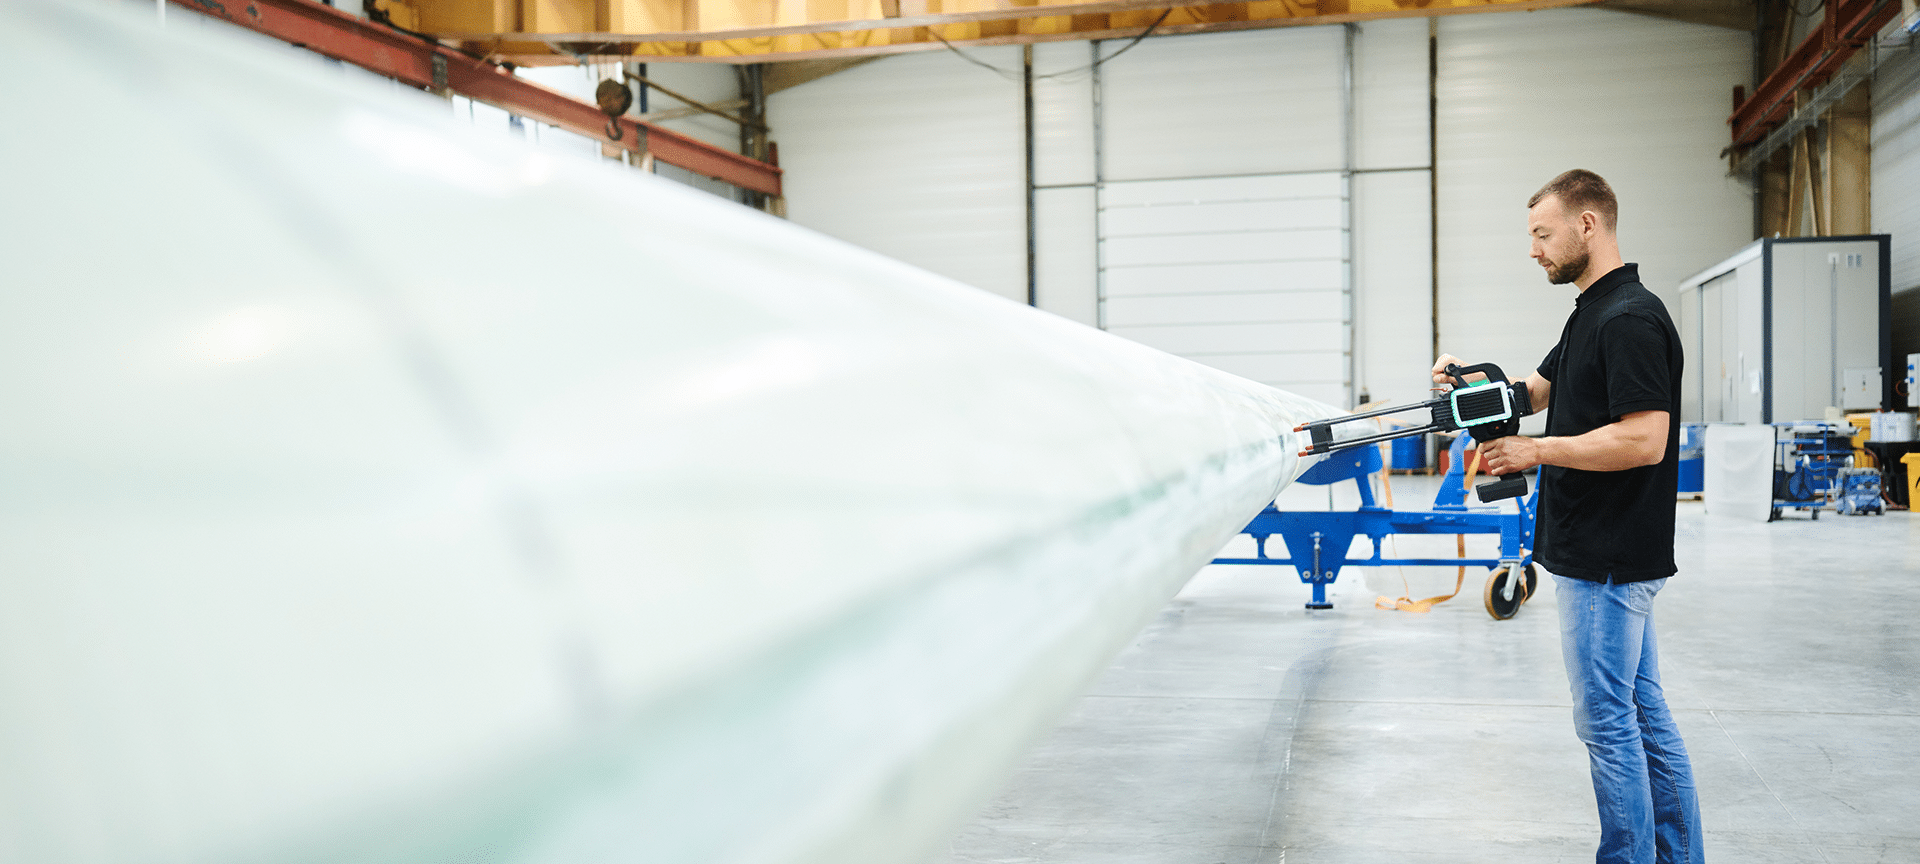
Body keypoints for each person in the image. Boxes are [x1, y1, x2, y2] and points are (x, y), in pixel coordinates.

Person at [1432, 169, 1702, 864]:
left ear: (1588, 224)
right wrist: (1470, 384)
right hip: (1603, 553)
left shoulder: (1630, 319)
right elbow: (1532, 391)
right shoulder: (1592, 311)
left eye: (1542, 234)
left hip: (1609, 559)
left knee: (1609, 724)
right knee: (1642, 715)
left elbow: (1645, 438)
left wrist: (1537, 450)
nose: (1533, 250)